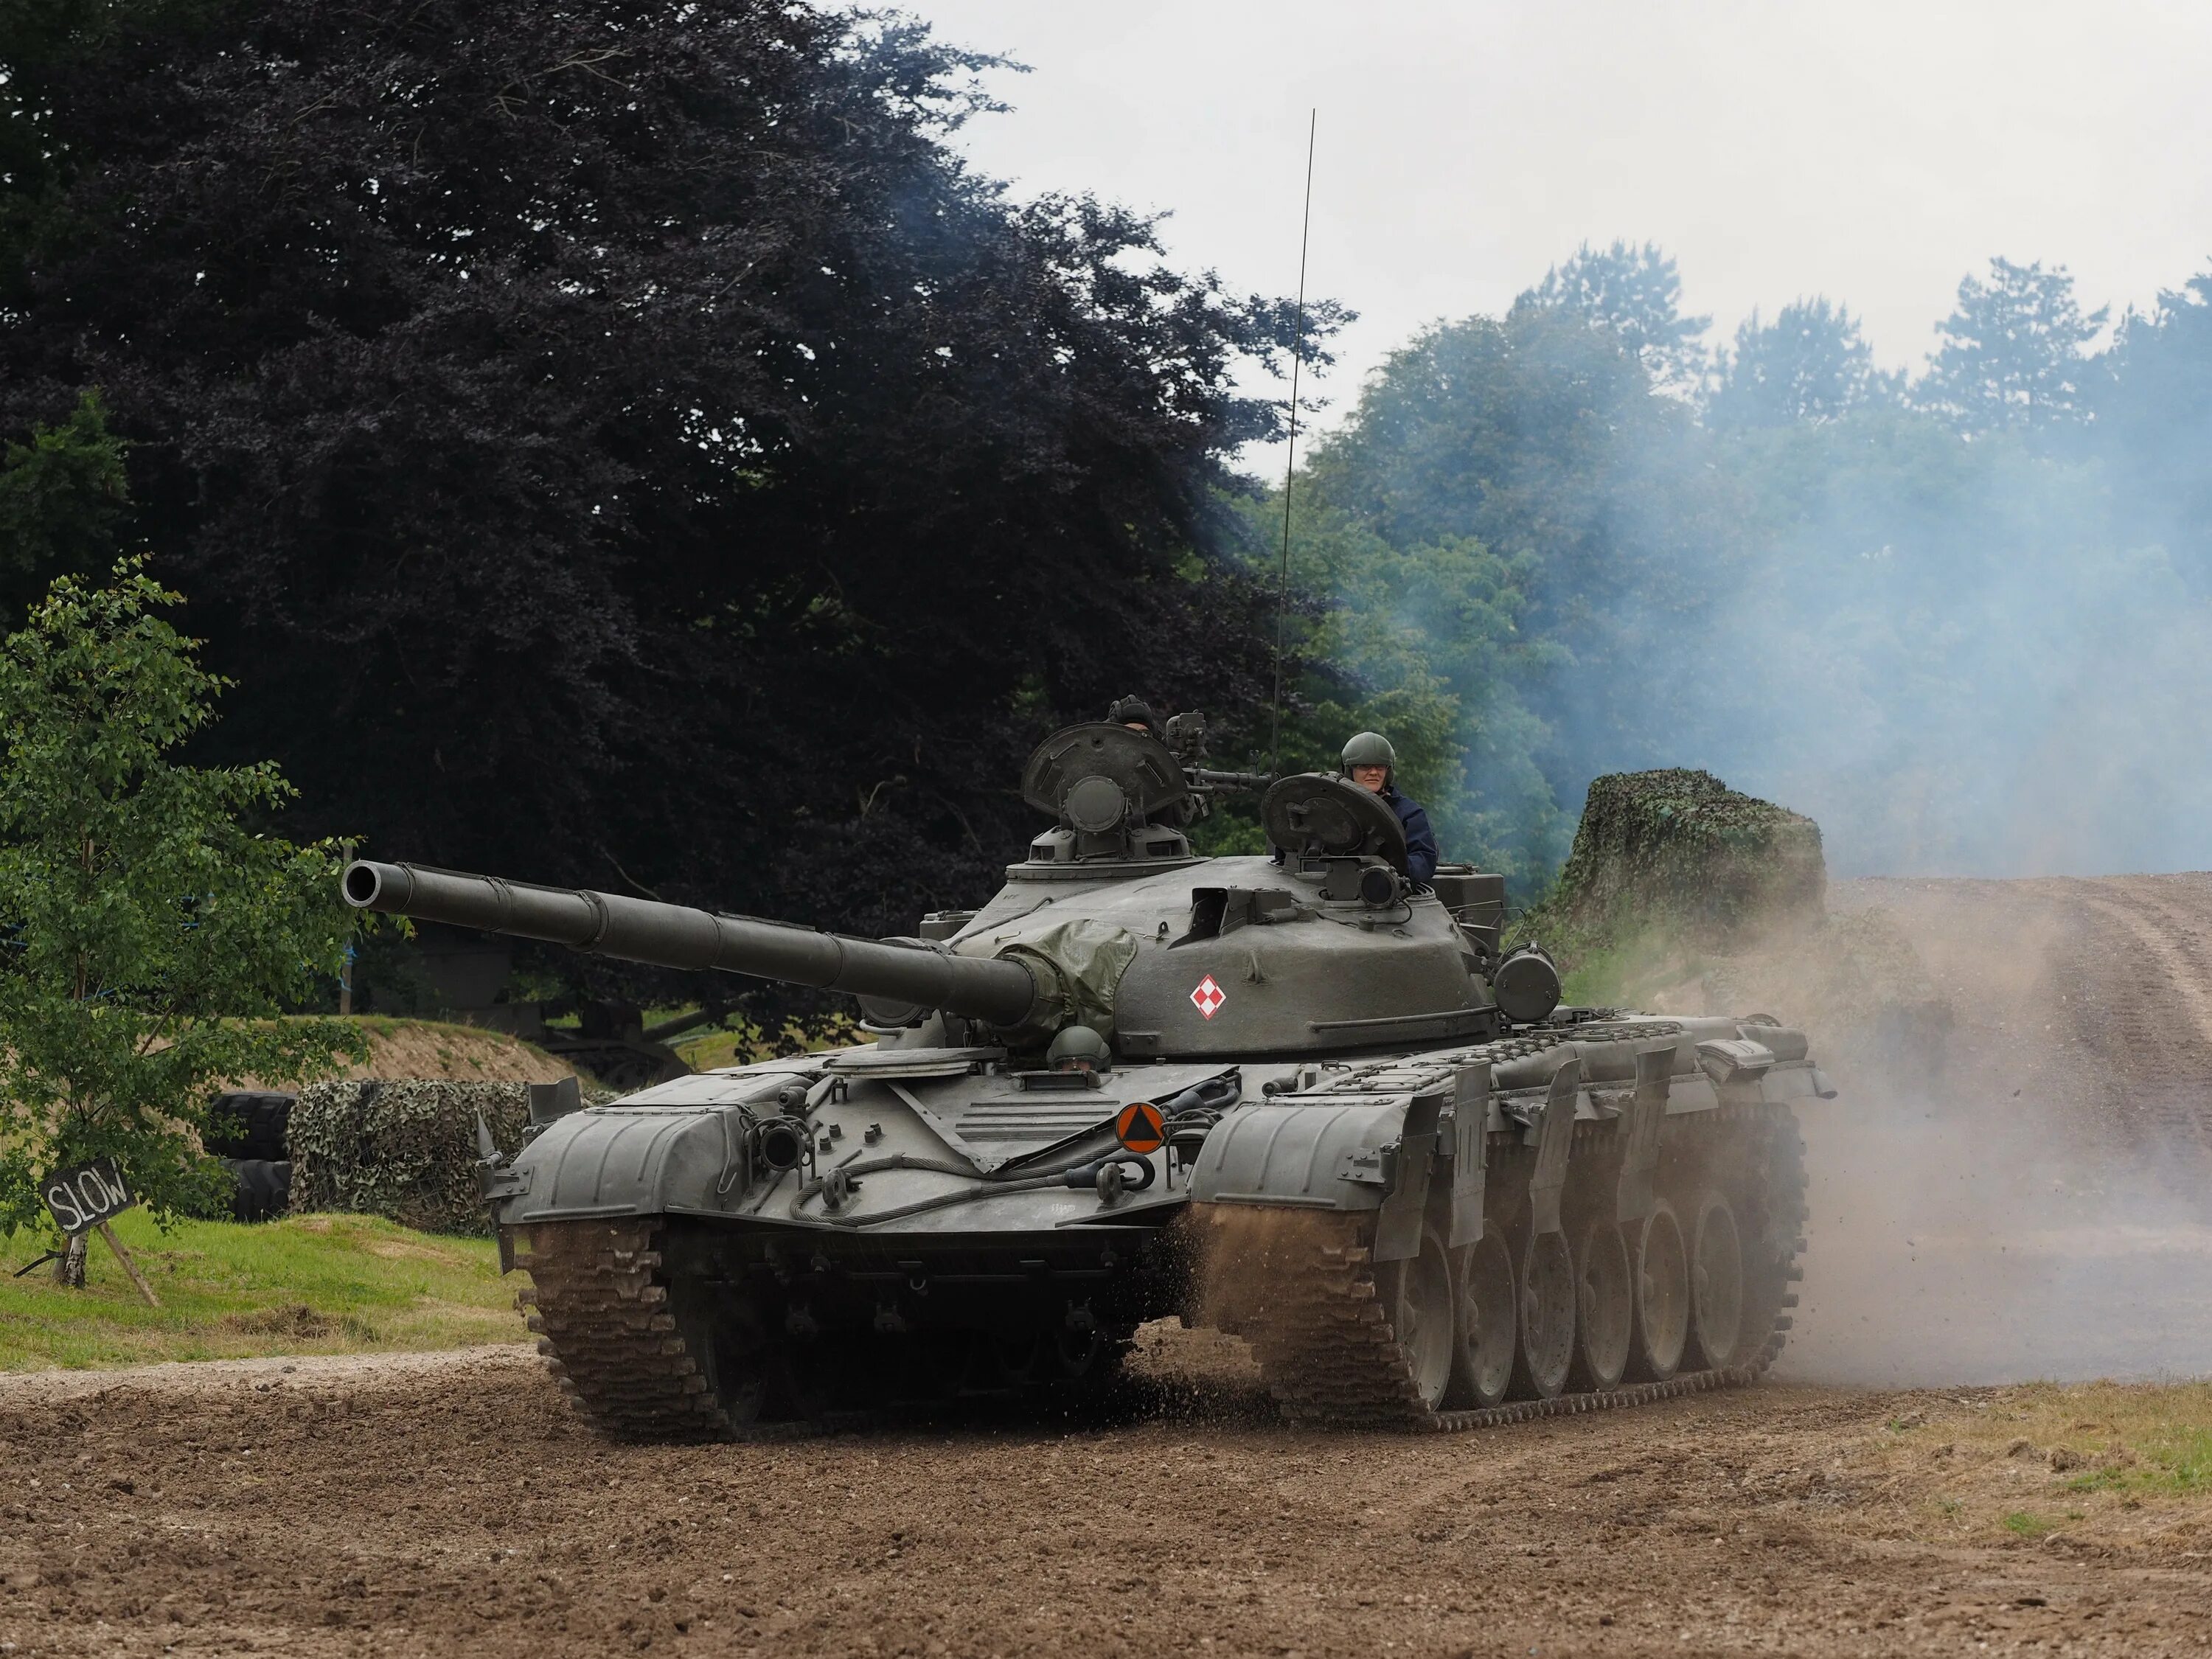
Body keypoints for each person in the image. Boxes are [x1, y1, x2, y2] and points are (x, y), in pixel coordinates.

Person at [1340, 731, 1439, 883]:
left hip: (1387, 894)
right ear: (1350, 769)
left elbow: (1424, 860)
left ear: (1389, 771)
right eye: (1364, 766)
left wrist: (1392, 871)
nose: (1373, 772)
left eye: (1380, 767)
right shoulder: (1334, 808)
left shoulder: (1409, 813)